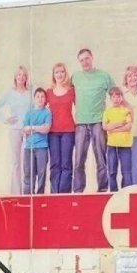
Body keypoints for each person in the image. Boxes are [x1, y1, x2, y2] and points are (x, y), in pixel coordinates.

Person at [71, 48, 115, 192]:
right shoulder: (75, 77)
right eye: (82, 60)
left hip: (98, 122)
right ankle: (78, 191)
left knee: (101, 159)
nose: (85, 62)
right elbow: (64, 92)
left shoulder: (104, 76)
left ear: (92, 58)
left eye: (87, 58)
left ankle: (102, 189)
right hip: (81, 124)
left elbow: (116, 95)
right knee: (78, 161)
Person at [0, 66, 33, 194]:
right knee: (16, 162)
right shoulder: (10, 94)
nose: (21, 77)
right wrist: (6, 119)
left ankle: (28, 191)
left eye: (24, 75)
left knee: (28, 161)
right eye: (19, 75)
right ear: (15, 77)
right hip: (15, 130)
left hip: (28, 131)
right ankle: (16, 192)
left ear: (26, 78)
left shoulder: (30, 93)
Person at [45, 63, 77, 193]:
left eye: (62, 72)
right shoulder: (48, 92)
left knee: (66, 164)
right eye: (57, 72)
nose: (59, 74)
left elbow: (80, 107)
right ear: (53, 75)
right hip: (52, 132)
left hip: (68, 131)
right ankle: (54, 193)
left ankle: (64, 193)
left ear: (65, 73)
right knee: (55, 164)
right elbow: (39, 107)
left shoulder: (71, 91)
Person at [102, 86, 134, 192]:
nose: (116, 99)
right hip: (112, 145)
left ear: (121, 97)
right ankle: (113, 192)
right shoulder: (107, 112)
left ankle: (126, 192)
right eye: (113, 97)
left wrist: (113, 129)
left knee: (126, 171)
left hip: (125, 146)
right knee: (111, 171)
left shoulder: (126, 111)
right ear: (110, 98)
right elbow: (105, 127)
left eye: (118, 96)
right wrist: (119, 124)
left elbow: (128, 126)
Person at [20, 88, 52, 194]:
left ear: (45, 99)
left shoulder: (47, 113)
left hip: (42, 147)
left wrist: (32, 128)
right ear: (34, 99)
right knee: (28, 174)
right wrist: (38, 127)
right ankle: (28, 196)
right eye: (38, 96)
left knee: (41, 173)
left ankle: (40, 196)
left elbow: (46, 129)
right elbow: (24, 130)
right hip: (29, 147)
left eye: (42, 96)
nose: (40, 99)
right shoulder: (29, 113)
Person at [121, 65, 137, 186]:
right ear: (126, 78)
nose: (132, 78)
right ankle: (126, 192)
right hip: (125, 135)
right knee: (126, 166)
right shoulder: (123, 94)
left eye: (135, 75)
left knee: (136, 166)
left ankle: (136, 191)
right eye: (129, 76)